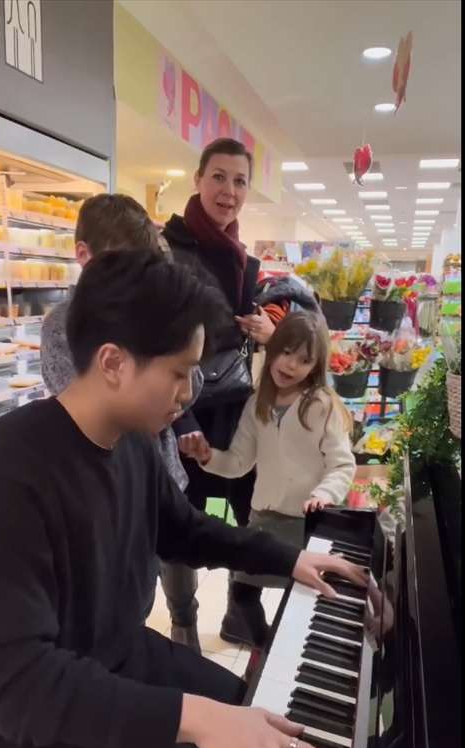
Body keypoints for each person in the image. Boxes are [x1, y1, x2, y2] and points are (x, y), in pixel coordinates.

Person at [0, 250, 367, 748]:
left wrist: (290, 560)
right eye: (180, 373)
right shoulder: (6, 471)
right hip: (31, 741)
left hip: (120, 661)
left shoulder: (131, 441)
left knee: (259, 715)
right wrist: (197, 720)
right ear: (113, 363)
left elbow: (183, 530)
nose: (188, 395)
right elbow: (19, 685)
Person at [40, 193, 204, 649]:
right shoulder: (62, 326)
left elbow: (192, 383)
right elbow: (94, 408)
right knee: (117, 599)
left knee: (170, 570)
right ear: (84, 254)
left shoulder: (148, 312)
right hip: (102, 486)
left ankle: (182, 630)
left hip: (157, 470)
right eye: (119, 264)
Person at [162, 137, 278, 651]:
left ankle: (239, 609)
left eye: (240, 181)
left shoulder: (241, 258)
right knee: (177, 513)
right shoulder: (168, 250)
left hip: (235, 406)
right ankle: (183, 623)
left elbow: (237, 334)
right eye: (218, 177)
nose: (229, 191)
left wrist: (269, 332)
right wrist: (180, 418)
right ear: (198, 179)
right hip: (182, 405)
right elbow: (158, 342)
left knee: (248, 504)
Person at [187, 312, 357, 606]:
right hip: (264, 520)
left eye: (304, 360)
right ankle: (253, 637)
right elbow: (239, 463)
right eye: (286, 352)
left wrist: (324, 494)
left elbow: (342, 465)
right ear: (273, 348)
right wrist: (207, 457)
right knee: (242, 598)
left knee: (302, 602)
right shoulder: (258, 403)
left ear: (316, 365)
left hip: (308, 523)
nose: (291, 365)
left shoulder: (323, 405)